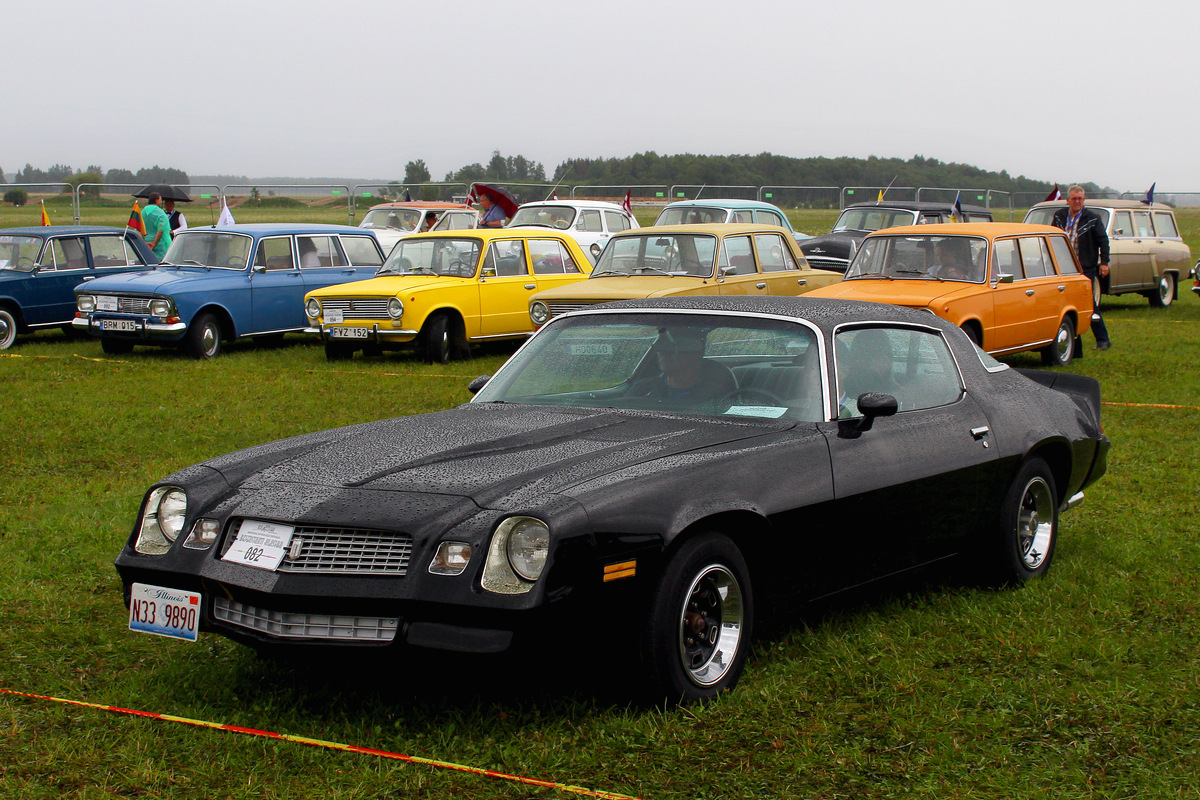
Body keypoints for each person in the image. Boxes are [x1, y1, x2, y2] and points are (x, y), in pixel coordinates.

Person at [1051, 185, 1111, 350]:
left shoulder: (1092, 218)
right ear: (1068, 200)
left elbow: (1103, 241)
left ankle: (1103, 339)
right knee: (1066, 306)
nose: (1077, 202)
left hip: (1085, 269)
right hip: (1062, 269)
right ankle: (1073, 343)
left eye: (1080, 199)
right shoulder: (1059, 216)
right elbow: (1051, 238)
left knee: (1089, 304)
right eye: (1074, 199)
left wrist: (1104, 262)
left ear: (1084, 200)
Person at [630, 327, 737, 402]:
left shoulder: (717, 397)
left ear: (696, 352)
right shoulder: (642, 389)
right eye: (661, 344)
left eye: (673, 346)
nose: (662, 351)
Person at [141, 192, 172, 259]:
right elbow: (161, 229)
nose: (161, 202)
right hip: (160, 244)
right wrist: (154, 243)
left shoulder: (142, 212)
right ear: (156, 200)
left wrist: (144, 243)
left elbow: (138, 229)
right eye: (160, 200)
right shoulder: (160, 213)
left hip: (146, 242)